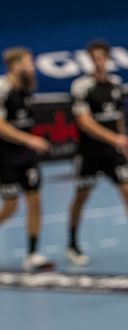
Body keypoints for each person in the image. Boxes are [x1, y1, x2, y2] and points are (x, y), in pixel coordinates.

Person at [67, 40, 128, 266]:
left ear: (107, 58)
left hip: (113, 153)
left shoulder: (116, 84)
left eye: (101, 57)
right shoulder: (81, 86)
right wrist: (114, 138)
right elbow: (84, 122)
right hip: (89, 153)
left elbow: (119, 117)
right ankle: (72, 244)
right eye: (94, 58)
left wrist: (123, 142)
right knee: (81, 196)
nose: (98, 62)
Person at [0, 47, 54, 271]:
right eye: (29, 63)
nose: (33, 67)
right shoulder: (2, 88)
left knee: (35, 200)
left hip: (26, 156)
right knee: (11, 206)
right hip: (5, 156)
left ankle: (32, 254)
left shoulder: (27, 88)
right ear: (16, 66)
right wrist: (30, 140)